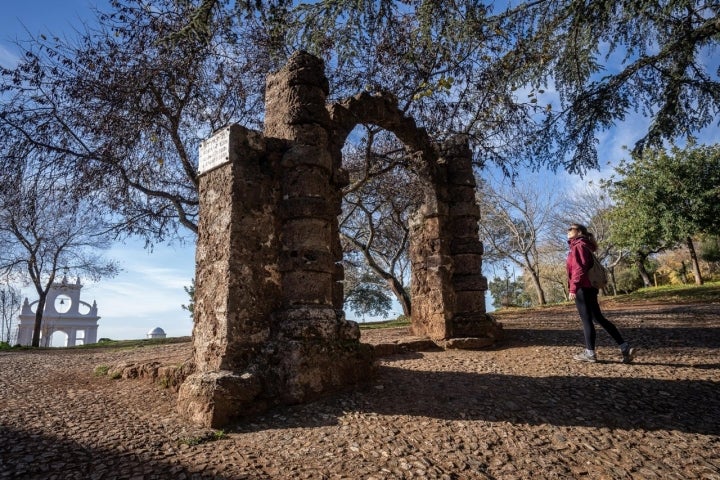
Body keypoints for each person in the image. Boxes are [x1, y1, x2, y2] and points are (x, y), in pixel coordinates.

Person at [566, 223, 635, 363]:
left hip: (582, 288)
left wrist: (573, 288)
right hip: (590, 287)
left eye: (570, 229)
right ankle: (624, 347)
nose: (567, 231)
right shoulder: (584, 245)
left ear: (579, 232)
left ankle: (590, 353)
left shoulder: (578, 246)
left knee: (587, 320)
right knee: (598, 318)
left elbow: (579, 269)